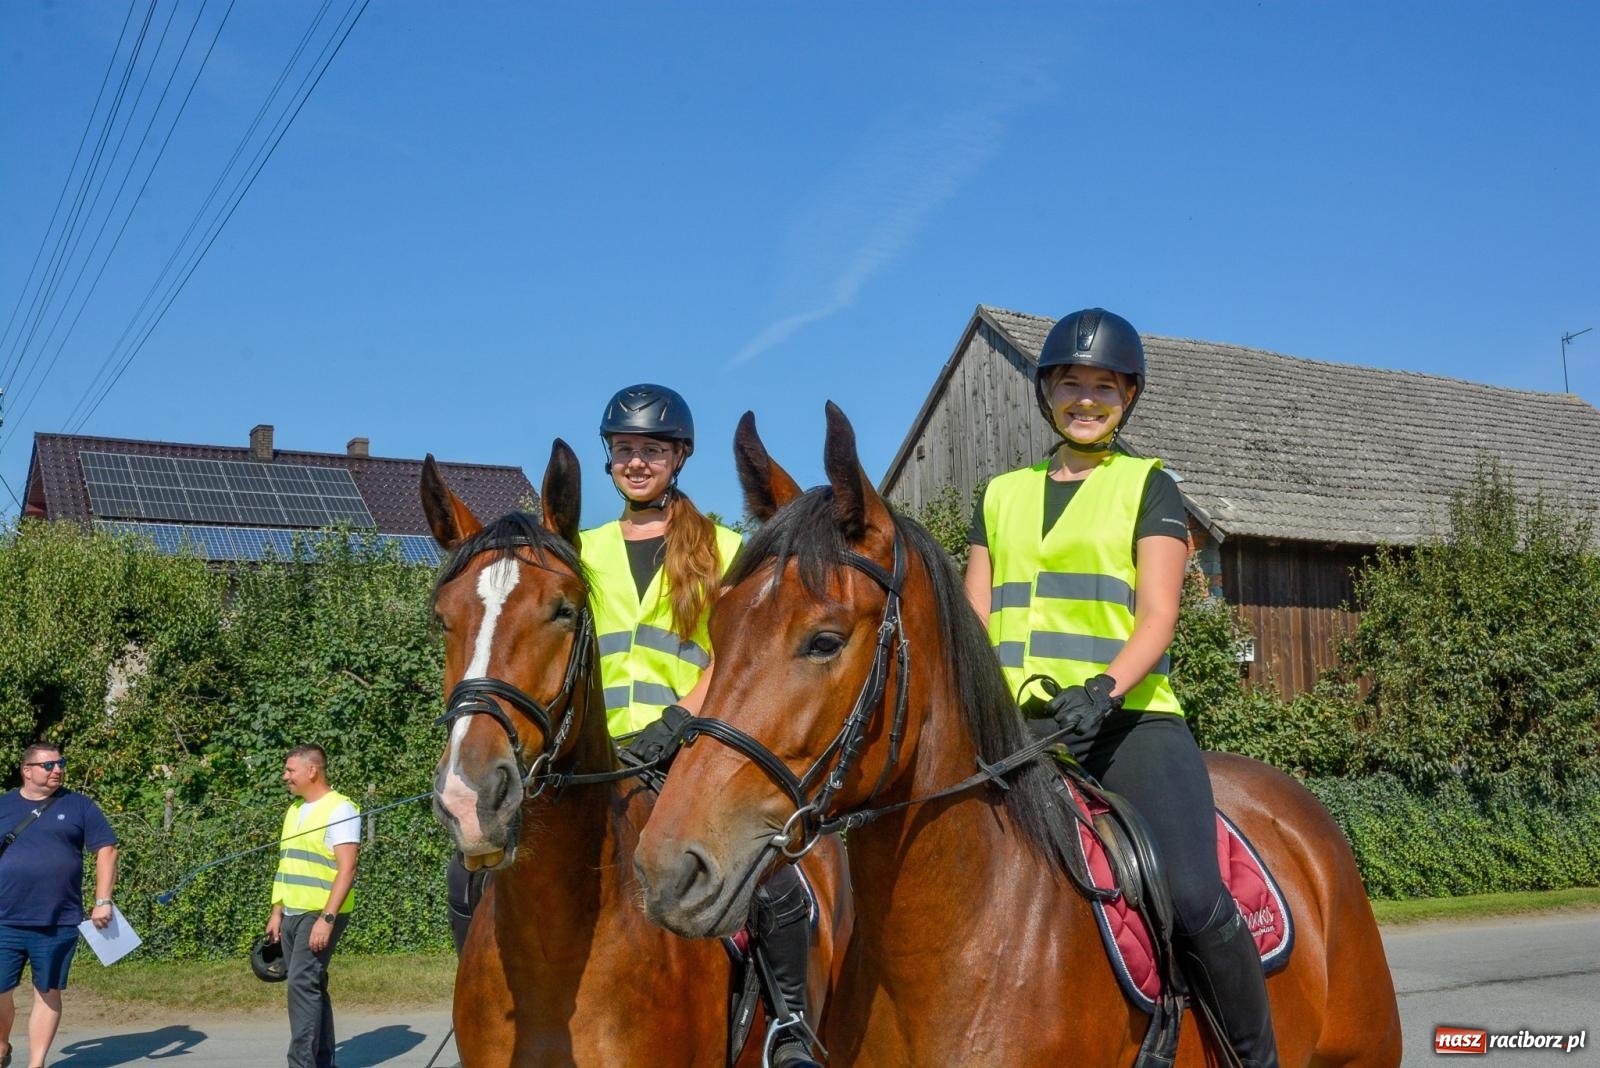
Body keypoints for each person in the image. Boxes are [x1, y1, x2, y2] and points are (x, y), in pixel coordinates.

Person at [963, 308, 1279, 1068]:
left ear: (1127, 397)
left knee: (1197, 898)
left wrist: (1103, 689)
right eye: (1071, 383)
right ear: (1046, 392)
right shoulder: (999, 494)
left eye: (1104, 386)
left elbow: (1158, 616)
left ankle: (1255, 1059)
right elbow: (973, 621)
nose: (1086, 398)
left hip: (1127, 722)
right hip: (1019, 728)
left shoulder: (1150, 486)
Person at [585, 384, 819, 1068]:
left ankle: (790, 1026)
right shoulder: (580, 547)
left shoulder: (722, 545)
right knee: (471, 874)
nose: (636, 462)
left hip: (681, 747)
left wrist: (681, 720)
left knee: (774, 878)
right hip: (595, 757)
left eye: (650, 450)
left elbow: (740, 654)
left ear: (679, 457)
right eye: (624, 449)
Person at [0, 743, 117, 1068]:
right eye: (48, 765)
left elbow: (106, 850)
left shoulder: (79, 806)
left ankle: (36, 1064)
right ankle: (1, 1044)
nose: (58, 769)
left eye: (60, 763)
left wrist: (102, 901)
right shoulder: (4, 806)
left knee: (47, 991)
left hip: (57, 920)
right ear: (27, 771)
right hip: (4, 918)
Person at [265, 744, 359, 1068]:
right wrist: (276, 912)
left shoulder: (341, 809)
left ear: (312, 771)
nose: (285, 776)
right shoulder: (294, 810)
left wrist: (327, 918)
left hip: (320, 914)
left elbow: (347, 868)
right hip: (291, 912)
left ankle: (301, 1064)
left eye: (290, 770)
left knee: (301, 986)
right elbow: (286, 864)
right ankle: (323, 1063)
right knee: (311, 984)